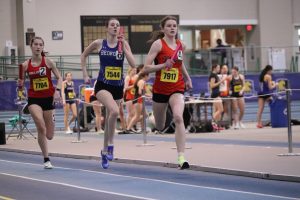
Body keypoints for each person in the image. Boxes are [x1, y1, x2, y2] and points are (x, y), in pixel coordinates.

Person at [81, 17, 136, 169]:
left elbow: (133, 64)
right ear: (107, 27)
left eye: (117, 25)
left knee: (112, 116)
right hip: (102, 85)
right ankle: (111, 145)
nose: (115, 27)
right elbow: (83, 55)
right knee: (113, 110)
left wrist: (124, 46)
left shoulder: (123, 44)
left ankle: (104, 151)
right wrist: (85, 74)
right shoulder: (99, 43)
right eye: (112, 25)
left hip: (117, 87)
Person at [143, 15, 193, 169]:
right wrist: (163, 65)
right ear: (163, 28)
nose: (172, 28)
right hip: (160, 90)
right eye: (169, 25)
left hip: (177, 87)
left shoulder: (181, 45)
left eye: (174, 25)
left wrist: (187, 78)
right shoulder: (158, 45)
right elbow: (146, 67)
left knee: (178, 117)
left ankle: (181, 157)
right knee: (160, 126)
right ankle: (153, 118)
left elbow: (180, 63)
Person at [18, 36, 62, 169]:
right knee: (40, 126)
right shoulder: (25, 65)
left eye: (40, 45)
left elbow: (60, 78)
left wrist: (58, 90)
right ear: (31, 46)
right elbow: (20, 84)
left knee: (49, 135)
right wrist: (20, 86)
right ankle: (46, 159)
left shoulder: (49, 62)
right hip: (34, 99)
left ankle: (50, 120)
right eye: (35, 44)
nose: (38, 47)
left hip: (48, 98)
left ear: (43, 47)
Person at [209, 64, 226, 130]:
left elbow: (219, 83)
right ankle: (212, 121)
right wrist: (221, 81)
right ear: (214, 68)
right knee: (221, 110)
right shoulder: (212, 75)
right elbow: (212, 85)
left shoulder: (216, 75)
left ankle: (217, 125)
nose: (219, 69)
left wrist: (222, 82)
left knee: (217, 110)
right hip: (215, 95)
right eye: (218, 67)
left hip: (217, 94)